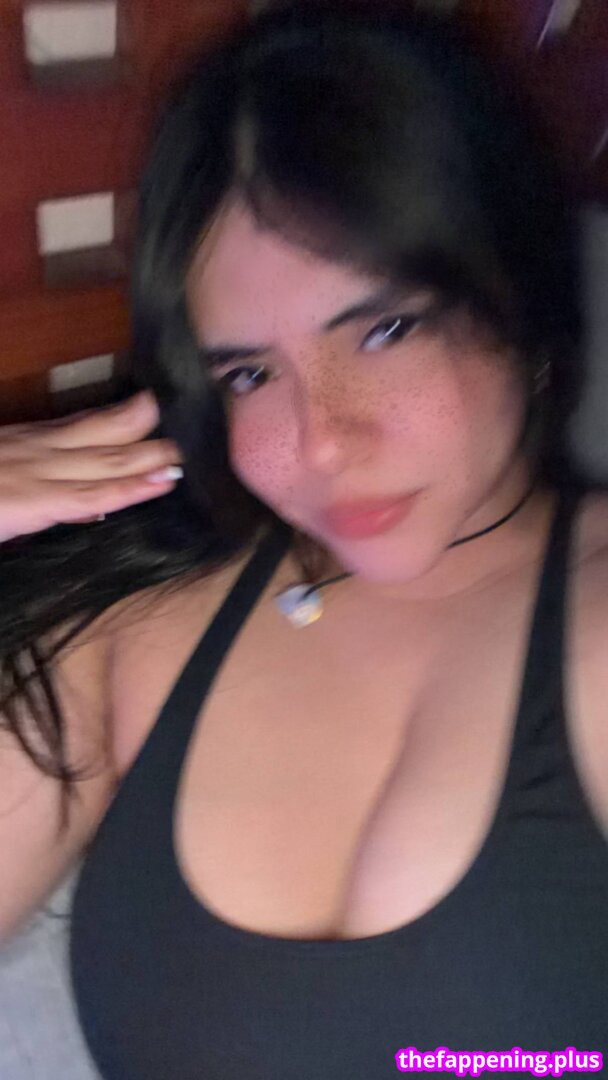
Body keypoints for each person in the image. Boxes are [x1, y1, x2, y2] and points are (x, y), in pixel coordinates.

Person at [0, 1, 607, 1077]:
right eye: (248, 373)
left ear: (516, 299)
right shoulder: (133, 620)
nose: (320, 441)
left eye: (385, 329)